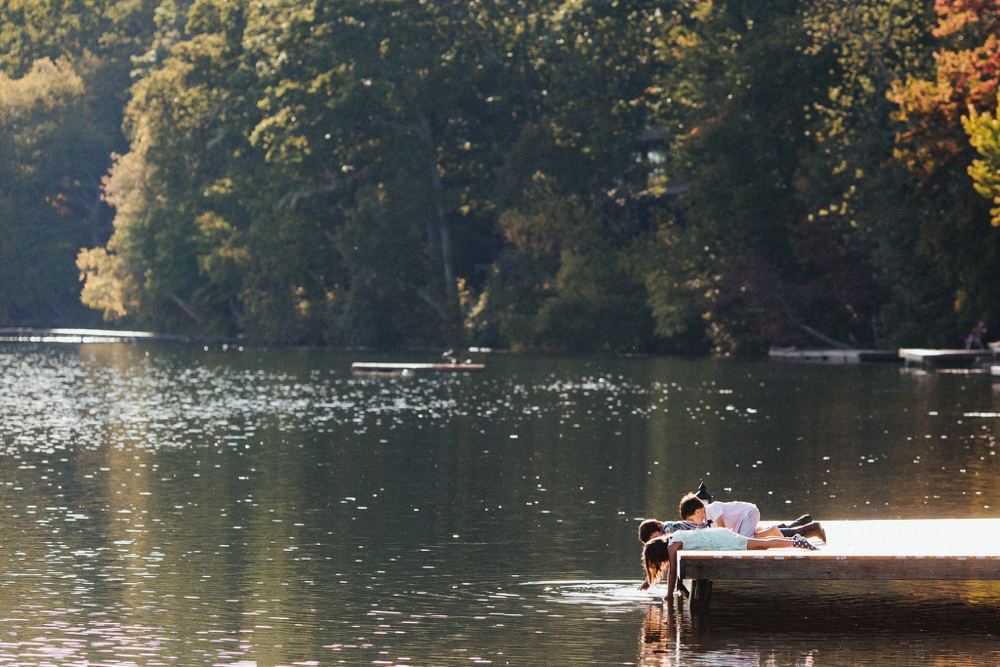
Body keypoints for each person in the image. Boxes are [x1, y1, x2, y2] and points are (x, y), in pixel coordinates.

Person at [641, 528, 818, 597]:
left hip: (721, 540)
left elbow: (672, 572)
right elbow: (665, 569)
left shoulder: (672, 548)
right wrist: (647, 583)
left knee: (760, 546)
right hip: (717, 535)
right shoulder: (673, 537)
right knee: (760, 545)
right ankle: (793, 539)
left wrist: (669, 595)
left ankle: (794, 541)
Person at [678, 493, 826, 542]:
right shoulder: (706, 519)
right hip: (741, 520)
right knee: (746, 539)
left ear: (698, 511)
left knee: (746, 541)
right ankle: (769, 531)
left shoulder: (713, 508)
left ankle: (772, 531)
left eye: (691, 519)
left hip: (748, 513)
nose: (693, 523)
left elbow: (723, 530)